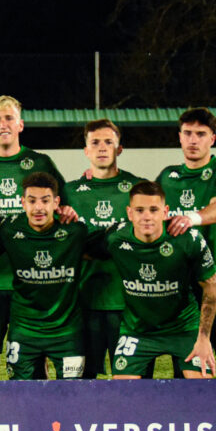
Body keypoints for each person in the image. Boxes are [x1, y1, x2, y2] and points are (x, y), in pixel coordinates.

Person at [0, 95, 74, 378]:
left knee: (36, 355)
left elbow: (67, 207)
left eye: (9, 118)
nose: (3, 124)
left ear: (20, 124)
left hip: (35, 279)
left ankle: (37, 406)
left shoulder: (41, 162)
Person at [156, 107, 216, 378]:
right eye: (187, 133)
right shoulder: (167, 177)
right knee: (193, 364)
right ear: (179, 137)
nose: (193, 140)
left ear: (212, 138)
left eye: (200, 134)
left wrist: (190, 218)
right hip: (184, 289)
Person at [105, 181, 216, 379]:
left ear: (165, 212)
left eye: (153, 210)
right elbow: (78, 249)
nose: (147, 216)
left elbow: (212, 287)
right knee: (122, 391)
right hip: (137, 331)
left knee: (202, 388)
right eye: (139, 210)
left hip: (184, 328)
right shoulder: (115, 237)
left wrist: (203, 338)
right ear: (129, 213)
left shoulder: (188, 239)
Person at [63, 119, 143, 378]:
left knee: (132, 383)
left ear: (119, 149)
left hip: (129, 303)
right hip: (84, 302)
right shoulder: (69, 192)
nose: (101, 147)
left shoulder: (138, 189)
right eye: (95, 142)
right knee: (84, 382)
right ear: (86, 150)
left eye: (108, 142)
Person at [0, 172, 91, 379]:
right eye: (32, 201)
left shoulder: (75, 231)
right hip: (24, 330)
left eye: (45, 201)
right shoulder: (8, 229)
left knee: (73, 394)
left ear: (56, 202)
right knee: (22, 393)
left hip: (66, 332)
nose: (38, 208)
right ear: (23, 203)